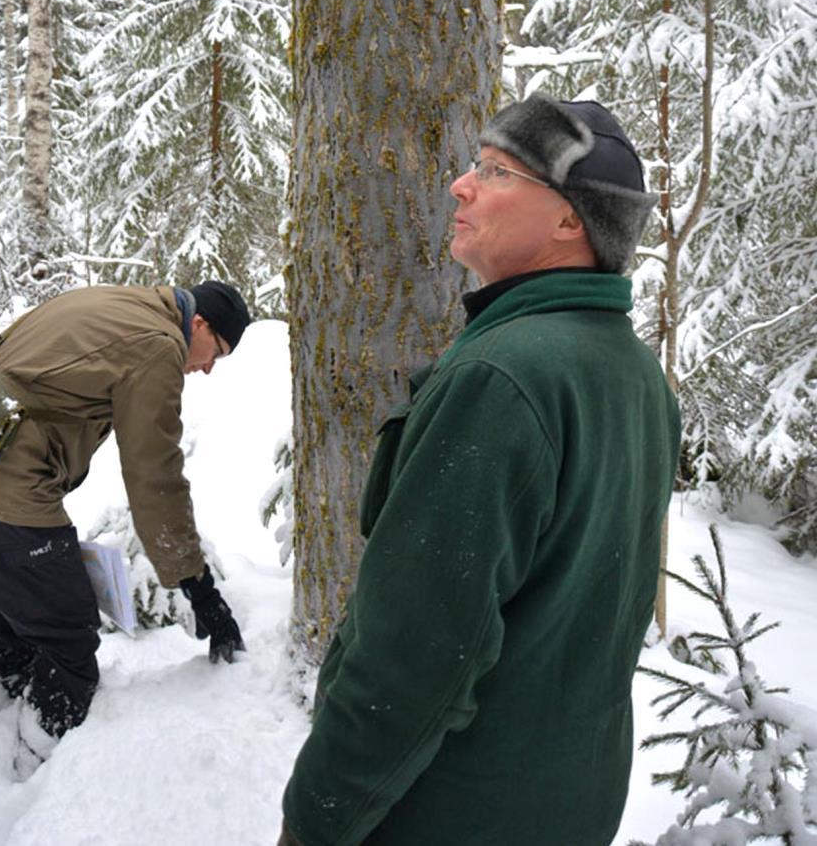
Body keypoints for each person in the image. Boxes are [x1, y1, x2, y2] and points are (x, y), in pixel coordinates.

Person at [279, 96, 681, 845]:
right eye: (473, 164)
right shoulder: (635, 374)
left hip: (452, 809)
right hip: (568, 798)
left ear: (571, 219)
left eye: (496, 172)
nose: (461, 185)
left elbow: (415, 659)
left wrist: (316, 816)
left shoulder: (504, 377)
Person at [0, 279, 251, 770]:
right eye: (215, 351)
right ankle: (35, 767)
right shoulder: (158, 345)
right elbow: (156, 475)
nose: (208, 367)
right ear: (198, 325)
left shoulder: (122, 301)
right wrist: (200, 588)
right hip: (3, 484)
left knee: (19, 629)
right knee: (68, 638)